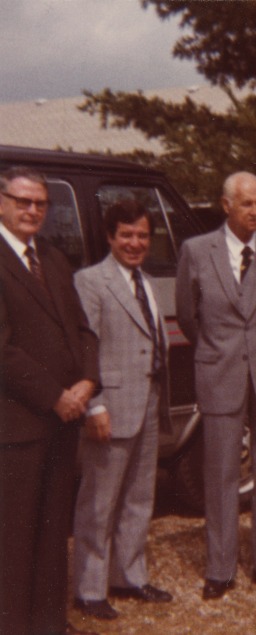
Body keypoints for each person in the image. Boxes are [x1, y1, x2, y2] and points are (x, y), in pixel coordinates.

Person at [175, 171, 256, 600]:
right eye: (247, 204)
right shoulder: (196, 250)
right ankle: (220, 567)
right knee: (221, 472)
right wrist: (220, 348)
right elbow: (189, 315)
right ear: (226, 206)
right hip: (219, 371)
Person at [0, 166, 100, 635]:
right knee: (15, 535)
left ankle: (49, 623)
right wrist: (54, 396)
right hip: (17, 424)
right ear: (2, 202)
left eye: (39, 203)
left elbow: (82, 329)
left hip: (64, 420)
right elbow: (2, 350)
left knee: (53, 527)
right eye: (22, 201)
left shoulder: (55, 259)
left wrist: (87, 381)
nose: (32, 210)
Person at [71, 200, 173, 621]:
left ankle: (128, 575)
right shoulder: (91, 281)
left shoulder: (145, 281)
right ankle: (89, 588)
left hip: (147, 401)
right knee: (99, 500)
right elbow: (84, 347)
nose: (135, 243)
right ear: (110, 237)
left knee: (138, 495)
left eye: (143, 236)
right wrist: (94, 405)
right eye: (126, 235)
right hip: (110, 405)